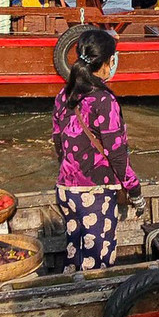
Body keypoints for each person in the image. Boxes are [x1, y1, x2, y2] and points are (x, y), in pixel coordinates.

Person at [49, 28, 139, 272]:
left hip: (66, 188)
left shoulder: (63, 94)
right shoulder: (104, 100)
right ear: (108, 62)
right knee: (97, 260)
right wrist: (134, 188)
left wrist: (70, 171)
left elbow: (58, 141)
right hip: (94, 191)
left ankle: (69, 293)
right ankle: (91, 305)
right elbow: (117, 153)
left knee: (74, 252)